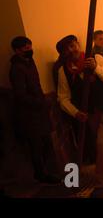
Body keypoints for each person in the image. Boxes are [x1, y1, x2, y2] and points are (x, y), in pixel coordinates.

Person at [56, 35, 103, 198]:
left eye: (74, 45)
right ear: (64, 53)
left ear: (78, 44)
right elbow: (63, 97)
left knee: (101, 143)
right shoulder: (64, 71)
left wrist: (96, 69)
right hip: (89, 113)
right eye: (68, 48)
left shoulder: (96, 58)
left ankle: (102, 183)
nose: (72, 50)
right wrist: (75, 112)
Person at [9, 36, 60, 185]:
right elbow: (20, 94)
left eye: (30, 47)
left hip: (39, 110)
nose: (30, 50)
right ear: (17, 51)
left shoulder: (29, 62)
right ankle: (41, 174)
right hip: (29, 114)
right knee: (36, 146)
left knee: (46, 143)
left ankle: (49, 171)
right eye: (26, 48)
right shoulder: (16, 68)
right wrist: (39, 102)